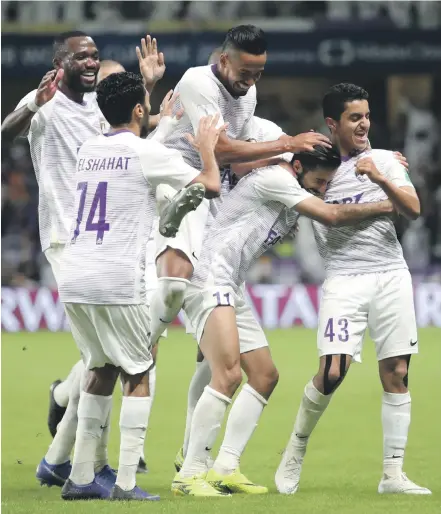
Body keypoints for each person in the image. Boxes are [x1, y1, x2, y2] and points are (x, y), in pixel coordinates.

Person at [172, 130, 397, 496]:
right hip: (209, 275)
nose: (323, 189)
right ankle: (190, 472)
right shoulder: (277, 180)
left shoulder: (297, 187)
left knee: (264, 376)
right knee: (227, 376)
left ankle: (225, 467)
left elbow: (333, 195)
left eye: (327, 183)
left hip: (232, 283)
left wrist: (383, 162)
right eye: (319, 182)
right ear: (297, 167)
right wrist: (387, 204)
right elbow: (332, 215)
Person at [0, 31, 166, 488]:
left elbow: (134, 134)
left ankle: (62, 446)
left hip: (110, 239)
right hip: (65, 240)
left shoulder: (99, 108)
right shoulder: (44, 106)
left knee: (114, 353)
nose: (91, 62)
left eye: (95, 55)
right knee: (116, 355)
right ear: (59, 63)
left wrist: (146, 91)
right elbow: (4, 132)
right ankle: (89, 465)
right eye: (82, 56)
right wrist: (34, 101)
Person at [58, 71, 225, 500]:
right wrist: (207, 150)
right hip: (116, 278)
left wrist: (153, 109)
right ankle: (128, 484)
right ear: (138, 110)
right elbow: (210, 184)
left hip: (75, 279)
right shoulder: (143, 153)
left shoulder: (88, 149)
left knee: (100, 369)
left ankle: (79, 478)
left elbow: (131, 145)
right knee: (138, 371)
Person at [275, 83, 431, 496]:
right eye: (354, 117)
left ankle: (392, 475)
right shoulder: (316, 165)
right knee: (332, 372)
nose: (364, 124)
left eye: (366, 116)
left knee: (397, 371)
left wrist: (380, 175)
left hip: (390, 274)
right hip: (344, 278)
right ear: (332, 123)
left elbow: (413, 209)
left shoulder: (382, 160)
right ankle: (295, 449)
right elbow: (326, 214)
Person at [148, 24, 332, 350]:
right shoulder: (198, 82)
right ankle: (142, 342)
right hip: (168, 183)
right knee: (176, 286)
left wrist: (276, 199)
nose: (250, 82)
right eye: (245, 72)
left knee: (216, 302)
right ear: (223, 61)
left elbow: (238, 159)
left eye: (258, 74)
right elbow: (221, 149)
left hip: (207, 186)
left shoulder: (248, 93)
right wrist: (285, 142)